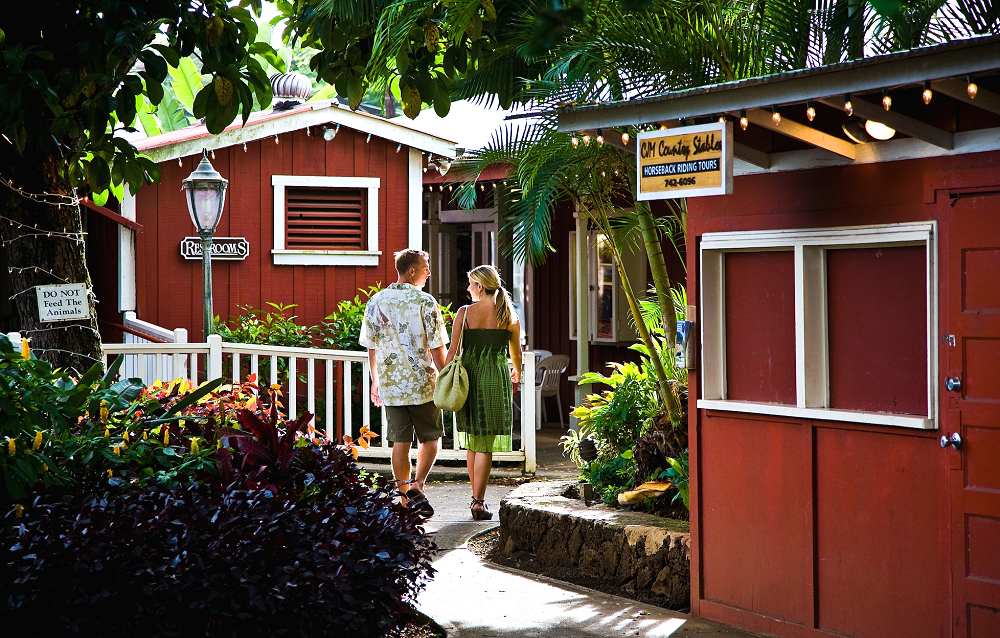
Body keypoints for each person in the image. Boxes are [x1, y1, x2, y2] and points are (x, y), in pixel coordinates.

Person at [360, 249, 448, 518]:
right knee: (431, 438)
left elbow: (371, 347)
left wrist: (376, 380)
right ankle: (418, 485)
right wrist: (447, 376)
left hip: (392, 385)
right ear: (412, 271)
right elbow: (437, 347)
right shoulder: (426, 302)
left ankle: (404, 495)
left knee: (400, 441)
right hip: (423, 383)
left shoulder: (376, 301)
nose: (429, 272)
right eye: (426, 267)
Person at [445, 265, 522, 520]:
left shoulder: (464, 313)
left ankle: (475, 500)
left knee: (472, 440)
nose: (468, 289)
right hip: (496, 377)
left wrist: (443, 378)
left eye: (470, 284)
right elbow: (516, 355)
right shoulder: (508, 315)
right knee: (485, 442)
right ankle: (478, 501)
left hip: (470, 377)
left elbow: (452, 353)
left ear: (479, 286)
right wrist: (516, 376)